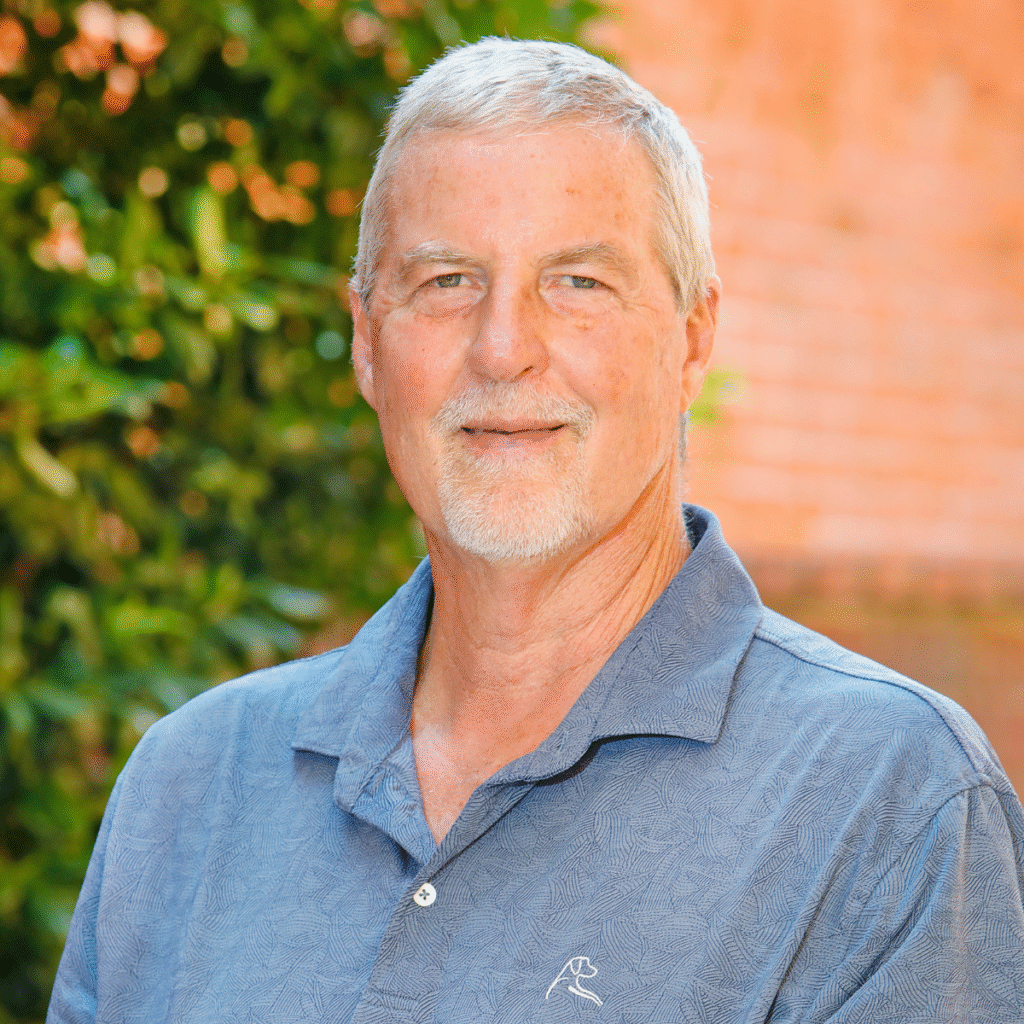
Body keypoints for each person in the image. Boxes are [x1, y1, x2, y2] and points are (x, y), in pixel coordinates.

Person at [49, 38, 1024, 1024]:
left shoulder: (889, 802)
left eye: (577, 281)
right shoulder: (188, 786)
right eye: (446, 281)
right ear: (366, 342)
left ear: (692, 338)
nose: (503, 347)